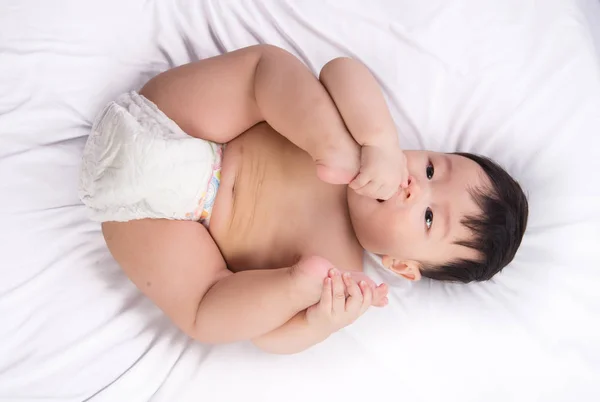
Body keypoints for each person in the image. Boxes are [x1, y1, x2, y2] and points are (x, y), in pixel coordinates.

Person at [79, 45, 528, 354]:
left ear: (400, 266)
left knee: (206, 313)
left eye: (429, 217)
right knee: (268, 70)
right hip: (179, 122)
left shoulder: (340, 273)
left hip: (159, 221)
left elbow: (271, 339)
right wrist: (377, 140)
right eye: (431, 169)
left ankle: (292, 281)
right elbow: (339, 69)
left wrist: (315, 313)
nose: (415, 185)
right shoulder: (365, 135)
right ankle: (323, 143)